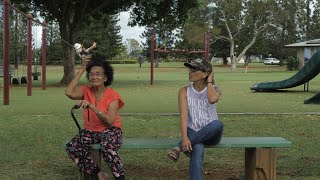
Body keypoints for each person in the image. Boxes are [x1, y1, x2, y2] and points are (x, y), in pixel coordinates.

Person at [65, 54, 125, 180]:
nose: (94, 77)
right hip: (91, 131)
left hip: (111, 130)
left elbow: (109, 121)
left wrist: (92, 107)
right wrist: (82, 69)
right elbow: (69, 92)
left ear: (105, 77)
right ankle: (98, 174)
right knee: (72, 146)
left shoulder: (113, 95)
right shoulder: (86, 90)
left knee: (107, 146)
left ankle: (120, 177)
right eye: (91, 74)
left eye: (98, 74)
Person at [167, 58, 223, 180]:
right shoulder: (184, 91)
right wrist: (185, 138)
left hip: (212, 134)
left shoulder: (215, 89)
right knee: (197, 148)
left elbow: (212, 99)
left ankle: (178, 148)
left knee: (217, 124)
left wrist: (209, 81)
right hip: (192, 131)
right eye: (190, 69)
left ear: (205, 73)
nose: (190, 72)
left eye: (194, 69)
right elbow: (184, 116)